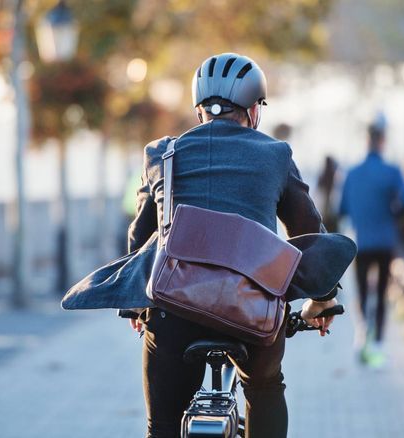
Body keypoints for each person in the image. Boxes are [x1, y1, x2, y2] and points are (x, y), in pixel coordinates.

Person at [127, 53, 338, 438]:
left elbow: (140, 239)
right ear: (255, 111)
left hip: (174, 309)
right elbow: (309, 235)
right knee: (264, 387)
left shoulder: (162, 154)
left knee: (163, 424)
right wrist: (321, 300)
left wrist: (135, 304)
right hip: (253, 310)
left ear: (198, 112)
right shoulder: (275, 155)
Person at [339, 115, 404, 368]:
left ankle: (361, 335)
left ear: (366, 141)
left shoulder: (352, 173)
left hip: (361, 242)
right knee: (381, 293)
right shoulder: (393, 172)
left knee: (360, 292)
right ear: (382, 141)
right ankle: (379, 343)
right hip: (385, 240)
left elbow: (343, 209)